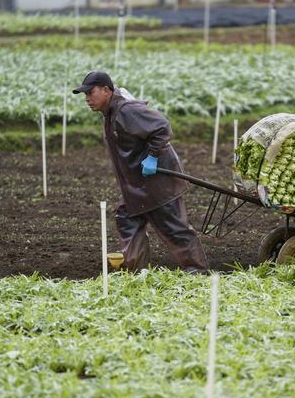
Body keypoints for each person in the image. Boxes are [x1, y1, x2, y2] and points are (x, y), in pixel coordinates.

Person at [73, 71, 209, 272]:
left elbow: (161, 127)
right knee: (127, 217)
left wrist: (153, 156)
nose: (87, 99)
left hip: (158, 182)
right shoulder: (112, 112)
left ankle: (199, 273)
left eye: (90, 93)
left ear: (106, 90)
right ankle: (136, 271)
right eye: (85, 95)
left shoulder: (126, 110)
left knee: (174, 229)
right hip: (138, 186)